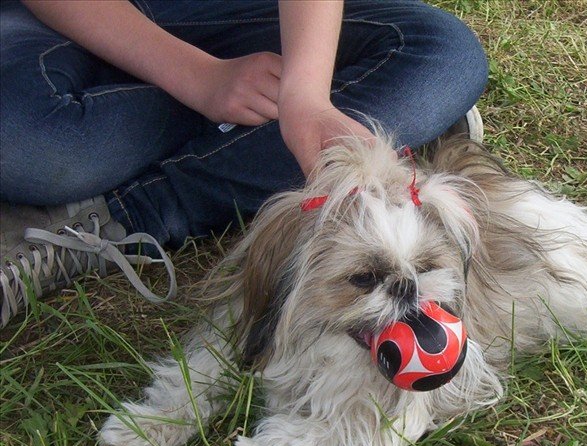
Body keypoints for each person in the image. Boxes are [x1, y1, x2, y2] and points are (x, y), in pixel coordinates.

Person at [0, 0, 488, 328]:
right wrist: (198, 78)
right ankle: (378, 113)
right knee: (22, 143)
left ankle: (124, 212)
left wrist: (306, 95)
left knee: (445, 57)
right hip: (54, 19)